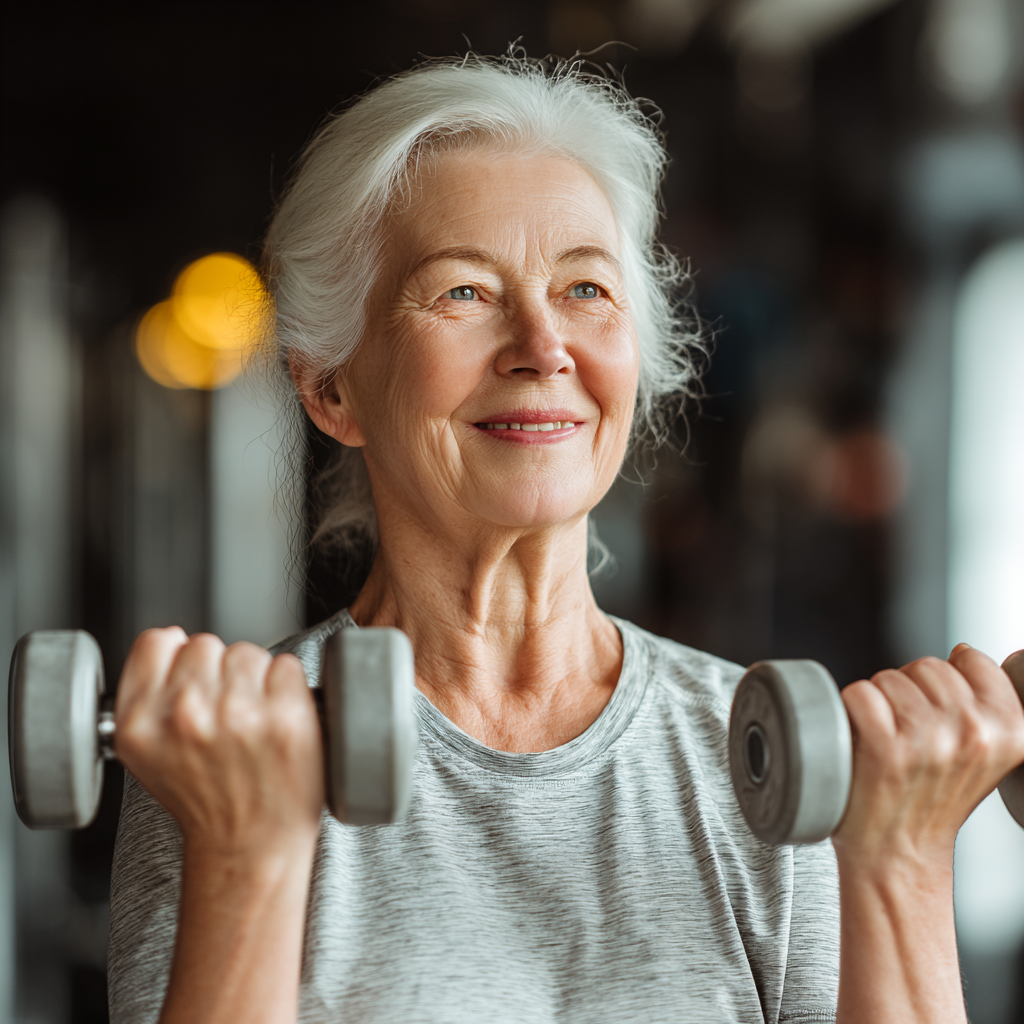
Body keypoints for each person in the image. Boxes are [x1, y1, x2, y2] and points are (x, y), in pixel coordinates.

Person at [106, 55, 1024, 1024]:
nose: (543, 345)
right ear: (331, 386)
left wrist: (900, 858)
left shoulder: (765, 770)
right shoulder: (225, 754)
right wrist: (248, 846)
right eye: (463, 292)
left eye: (586, 289)